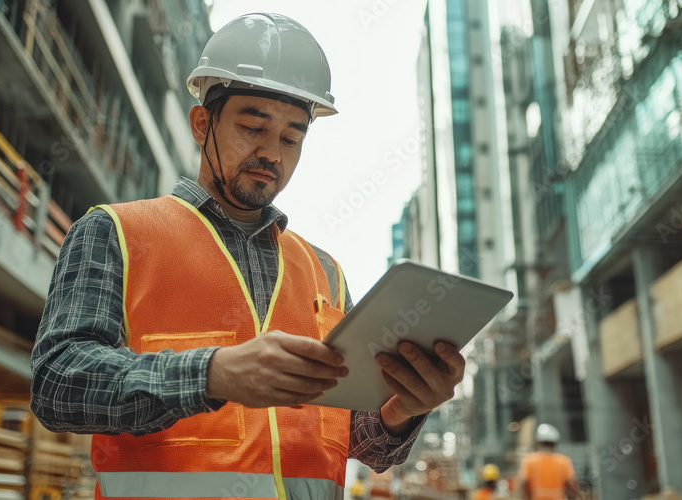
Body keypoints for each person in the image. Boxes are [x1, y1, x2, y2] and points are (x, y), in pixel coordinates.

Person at [29, 12, 466, 500]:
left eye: (291, 138)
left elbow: (359, 444)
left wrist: (402, 408)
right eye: (253, 127)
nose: (272, 154)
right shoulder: (116, 234)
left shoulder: (326, 274)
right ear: (202, 123)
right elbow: (57, 386)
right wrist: (213, 375)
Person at [518, 424, 579, 500]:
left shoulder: (530, 460)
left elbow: (524, 483)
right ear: (554, 443)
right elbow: (571, 485)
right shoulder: (563, 461)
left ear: (538, 442)